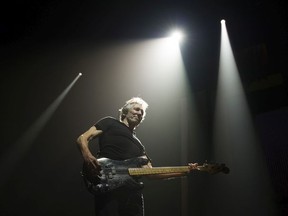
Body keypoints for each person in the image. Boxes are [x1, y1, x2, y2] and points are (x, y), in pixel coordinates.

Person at [77, 97, 197, 216]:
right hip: (108, 187)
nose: (139, 113)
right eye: (136, 109)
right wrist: (88, 156)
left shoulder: (139, 146)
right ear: (125, 111)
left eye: (142, 112)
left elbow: (151, 173)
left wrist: (185, 171)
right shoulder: (110, 122)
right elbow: (82, 138)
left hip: (132, 196)